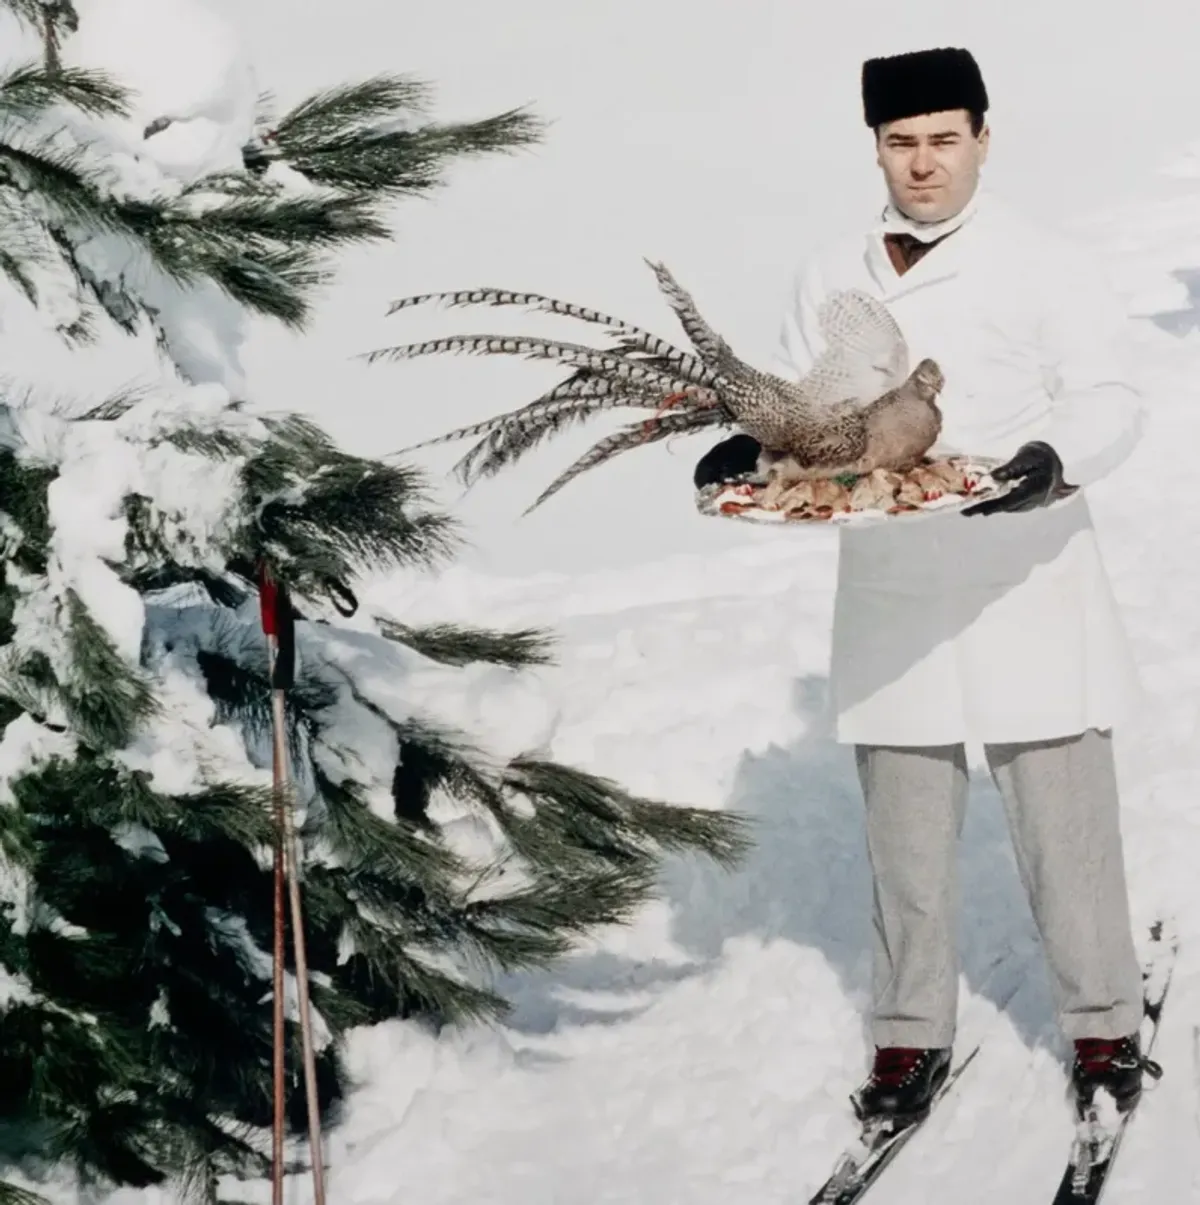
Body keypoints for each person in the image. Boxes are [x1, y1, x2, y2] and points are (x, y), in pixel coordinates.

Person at [694, 46, 1160, 1124]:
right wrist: (749, 448)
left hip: (1025, 568)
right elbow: (805, 412)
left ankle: (1101, 1022)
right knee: (904, 829)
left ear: (983, 138)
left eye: (944, 139)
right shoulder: (829, 271)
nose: (924, 164)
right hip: (895, 578)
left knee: (1063, 819)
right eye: (902, 143)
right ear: (876, 149)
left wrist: (1054, 460)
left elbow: (1111, 392)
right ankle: (909, 1035)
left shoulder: (1046, 262)